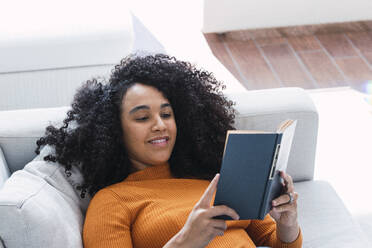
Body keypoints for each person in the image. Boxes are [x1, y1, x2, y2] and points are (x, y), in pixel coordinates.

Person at [36, 54, 302, 247]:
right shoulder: (113, 201)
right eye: (142, 118)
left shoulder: (214, 180)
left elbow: (273, 241)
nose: (159, 125)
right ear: (115, 131)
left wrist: (287, 224)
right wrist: (186, 240)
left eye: (166, 114)